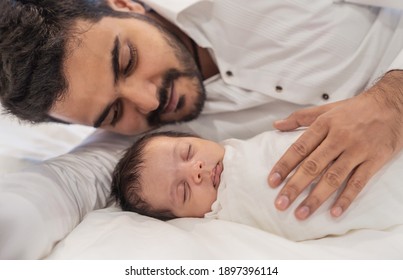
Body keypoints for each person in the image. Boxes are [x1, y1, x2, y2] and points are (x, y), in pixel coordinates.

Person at [1, 0, 403, 222]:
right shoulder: (144, 145)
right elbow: (62, 186)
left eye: (127, 60)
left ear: (124, 5)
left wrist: (392, 99)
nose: (148, 102)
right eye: (112, 113)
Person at [110, 129, 403, 241]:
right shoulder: (224, 214)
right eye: (184, 191)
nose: (196, 171)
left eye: (188, 153)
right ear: (187, 218)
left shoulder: (246, 145)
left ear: (196, 136)